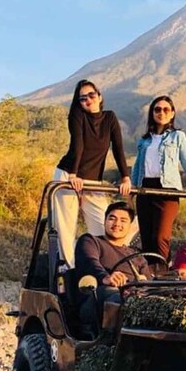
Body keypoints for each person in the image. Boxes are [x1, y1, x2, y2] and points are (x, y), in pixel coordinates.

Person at [54, 79, 132, 267]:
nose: (88, 100)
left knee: (103, 223)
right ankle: (68, 268)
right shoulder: (77, 116)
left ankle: (102, 266)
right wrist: (73, 174)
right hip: (68, 174)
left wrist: (125, 177)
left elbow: (118, 148)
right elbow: (77, 145)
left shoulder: (110, 118)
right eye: (82, 98)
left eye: (91, 95)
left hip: (93, 180)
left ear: (99, 96)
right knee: (66, 226)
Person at [130, 95, 186, 269]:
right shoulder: (144, 140)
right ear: (152, 112)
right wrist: (132, 190)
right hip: (145, 190)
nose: (161, 113)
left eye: (166, 109)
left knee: (161, 236)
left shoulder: (178, 137)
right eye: (157, 109)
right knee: (147, 236)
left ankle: (162, 274)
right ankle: (149, 276)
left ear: (172, 113)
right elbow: (138, 166)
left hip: (168, 191)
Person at [75, 201, 151, 332]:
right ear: (104, 220)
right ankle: (112, 341)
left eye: (123, 220)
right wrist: (105, 277)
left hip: (134, 296)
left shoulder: (136, 254)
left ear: (129, 226)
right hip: (97, 296)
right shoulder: (91, 241)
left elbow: (148, 282)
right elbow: (89, 262)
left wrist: (145, 283)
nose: (117, 224)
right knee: (113, 294)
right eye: (112, 218)